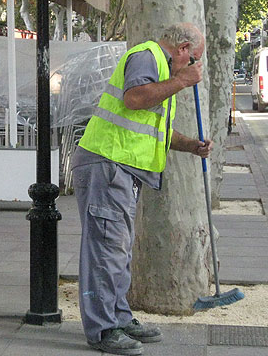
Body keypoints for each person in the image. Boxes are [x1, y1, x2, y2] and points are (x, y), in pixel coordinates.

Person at [71, 23, 213, 356]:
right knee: (107, 250)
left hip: (118, 168)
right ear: (182, 49)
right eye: (193, 59)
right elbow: (134, 99)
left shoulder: (160, 69)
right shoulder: (147, 57)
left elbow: (155, 129)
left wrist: (191, 146)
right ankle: (103, 329)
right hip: (108, 164)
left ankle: (119, 318)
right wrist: (182, 81)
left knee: (118, 250)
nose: (193, 67)